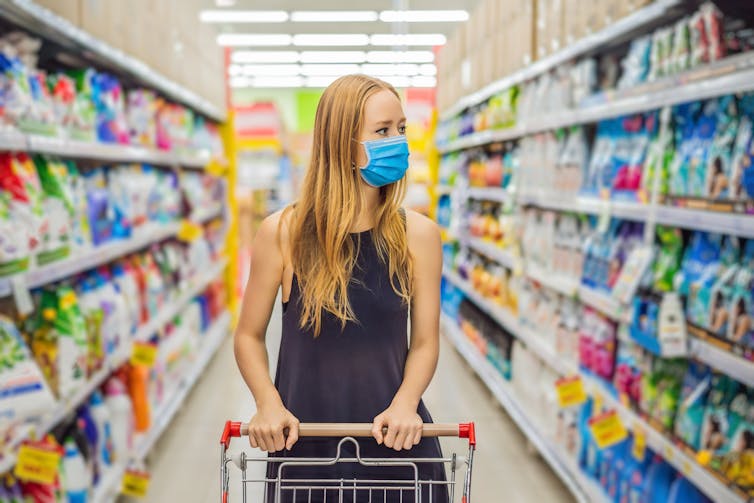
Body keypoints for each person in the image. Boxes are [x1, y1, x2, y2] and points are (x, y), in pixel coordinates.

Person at [233, 74, 448, 503]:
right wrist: (267, 402)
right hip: (304, 447)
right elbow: (248, 336)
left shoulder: (418, 237)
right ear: (342, 144)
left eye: (401, 129)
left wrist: (407, 403)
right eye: (383, 131)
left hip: (397, 446)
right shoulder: (283, 233)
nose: (399, 142)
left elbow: (424, 342)